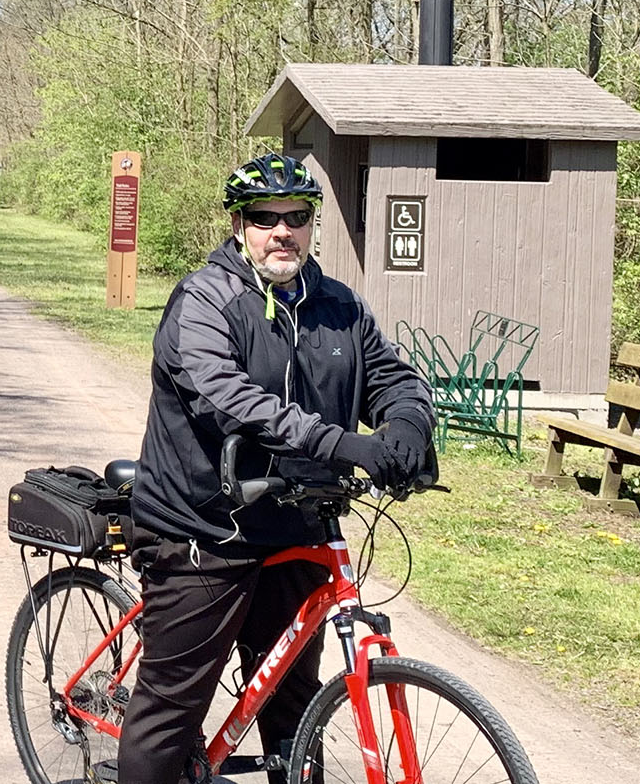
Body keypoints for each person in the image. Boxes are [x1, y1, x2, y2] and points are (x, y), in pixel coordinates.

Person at [117, 152, 437, 784]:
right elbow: (225, 397)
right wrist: (339, 443)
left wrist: (405, 427)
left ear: (313, 225)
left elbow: (395, 378)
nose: (281, 231)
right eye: (265, 218)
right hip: (205, 527)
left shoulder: (338, 305)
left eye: (296, 217)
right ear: (240, 226)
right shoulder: (204, 300)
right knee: (171, 710)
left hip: (298, 522)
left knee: (295, 705)